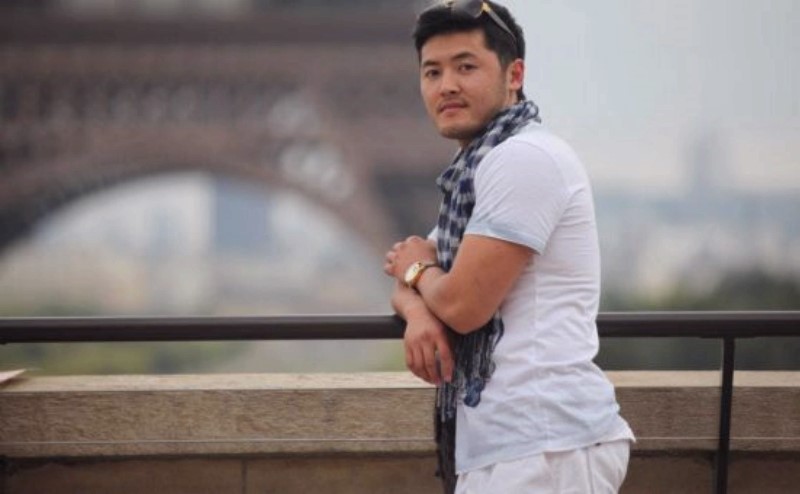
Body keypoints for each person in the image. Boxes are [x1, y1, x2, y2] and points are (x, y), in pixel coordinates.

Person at [382, 1, 635, 492]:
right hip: (514, 444)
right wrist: (417, 312)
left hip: (546, 446)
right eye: (432, 72)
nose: (446, 85)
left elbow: (460, 304)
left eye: (466, 67)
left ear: (514, 74)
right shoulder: (475, 173)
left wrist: (420, 277)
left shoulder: (523, 159)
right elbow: (411, 267)